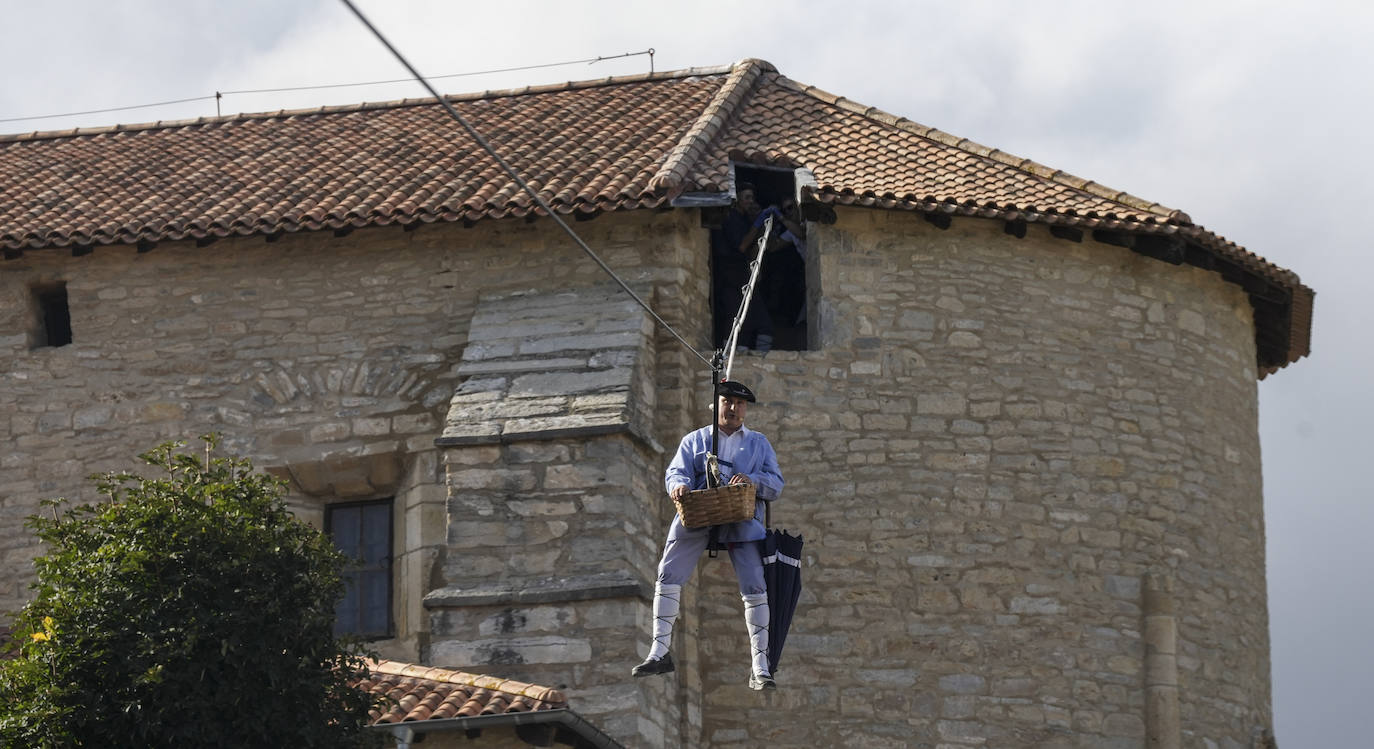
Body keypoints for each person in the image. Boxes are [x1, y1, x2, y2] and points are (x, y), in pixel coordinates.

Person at [631, 380, 784, 690]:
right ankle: (659, 651)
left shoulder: (758, 443)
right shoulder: (695, 440)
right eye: (727, 401)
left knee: (755, 583)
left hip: (741, 520)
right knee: (668, 572)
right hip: (698, 515)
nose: (733, 408)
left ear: (745, 409)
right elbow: (676, 472)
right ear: (717, 406)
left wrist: (751, 481)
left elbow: (775, 484)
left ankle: (760, 666)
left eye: (739, 404)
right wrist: (678, 485)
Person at [711, 185, 774, 353]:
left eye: (752, 198)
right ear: (737, 199)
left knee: (753, 318)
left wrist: (761, 230)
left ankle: (746, 354)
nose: (750, 201)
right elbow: (742, 246)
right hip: (729, 275)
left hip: (741, 274)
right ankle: (728, 355)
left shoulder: (744, 220)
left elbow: (751, 249)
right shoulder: (731, 218)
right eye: (747, 198)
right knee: (735, 315)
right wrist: (758, 223)